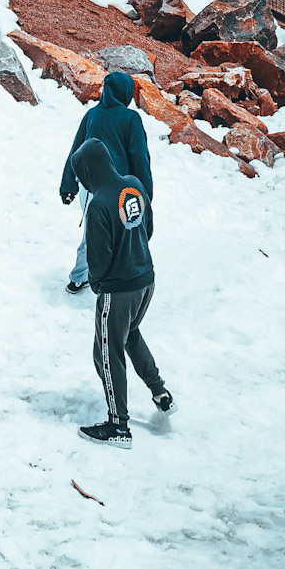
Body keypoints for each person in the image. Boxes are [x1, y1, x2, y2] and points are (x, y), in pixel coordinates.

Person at [72, 137, 173, 448]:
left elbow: (97, 259)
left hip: (119, 290)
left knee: (106, 353)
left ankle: (119, 426)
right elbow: (148, 227)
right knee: (130, 335)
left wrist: (101, 286)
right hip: (146, 280)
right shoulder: (133, 184)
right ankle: (160, 393)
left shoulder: (99, 204)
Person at [60, 71, 153, 295]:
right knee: (123, 233)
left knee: (93, 235)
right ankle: (115, 278)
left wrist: (68, 185)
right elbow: (140, 158)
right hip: (123, 190)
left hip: (91, 189)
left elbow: (76, 150)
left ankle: (78, 278)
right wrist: (146, 193)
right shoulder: (131, 119)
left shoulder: (92, 114)